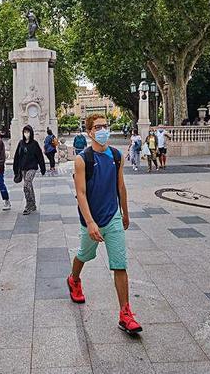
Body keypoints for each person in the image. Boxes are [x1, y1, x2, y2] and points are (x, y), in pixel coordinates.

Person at [66, 113, 142, 334]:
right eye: (98, 127)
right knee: (84, 254)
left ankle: (125, 313)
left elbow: (121, 187)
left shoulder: (116, 156)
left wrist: (125, 213)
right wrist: (90, 223)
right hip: (91, 220)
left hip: (113, 217)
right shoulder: (82, 159)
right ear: (89, 132)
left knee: (119, 263)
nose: (103, 130)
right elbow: (80, 193)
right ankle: (74, 279)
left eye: (105, 126)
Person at [12, 125, 46, 215]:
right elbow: (17, 157)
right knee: (29, 186)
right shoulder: (21, 143)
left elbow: (40, 156)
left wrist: (43, 168)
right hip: (23, 168)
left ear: (31, 133)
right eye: (25, 132)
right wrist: (15, 169)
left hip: (32, 167)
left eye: (28, 132)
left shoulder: (34, 143)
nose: (26, 134)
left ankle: (28, 205)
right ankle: (33, 204)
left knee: (26, 185)